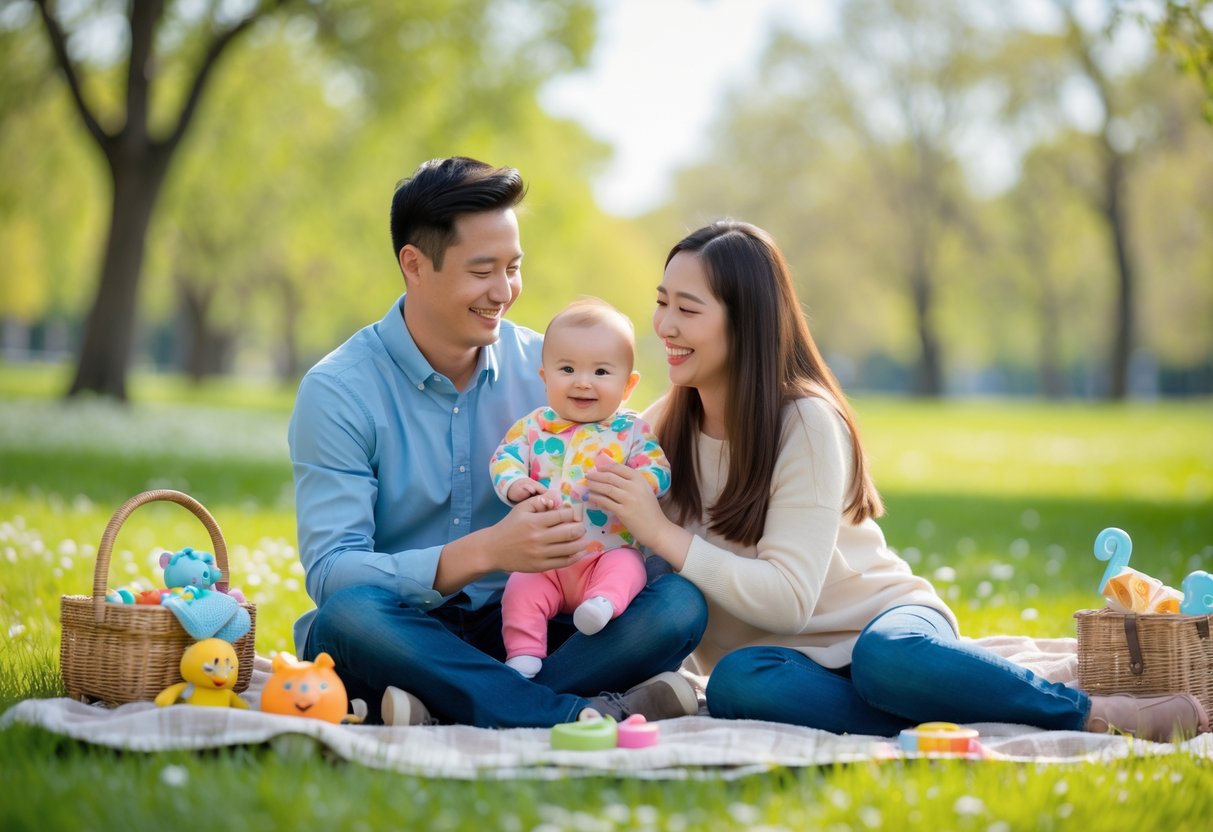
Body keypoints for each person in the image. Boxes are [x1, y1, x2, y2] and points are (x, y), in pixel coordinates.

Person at [585, 220, 1210, 742]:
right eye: (662, 300)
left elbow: (787, 599)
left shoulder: (803, 420)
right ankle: (953, 711)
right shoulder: (654, 429)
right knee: (735, 685)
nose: (663, 325)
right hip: (784, 664)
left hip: (884, 627)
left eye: (687, 309)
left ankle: (1093, 715)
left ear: (744, 323)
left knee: (886, 663)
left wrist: (659, 531)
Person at [287, 157, 706, 728]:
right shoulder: (339, 391)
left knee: (678, 605)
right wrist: (487, 552)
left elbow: (627, 439)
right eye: (483, 271)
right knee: (348, 616)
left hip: (533, 624)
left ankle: (452, 703)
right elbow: (332, 570)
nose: (504, 291)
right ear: (414, 265)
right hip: (407, 629)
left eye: (513, 267)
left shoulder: (553, 367)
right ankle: (575, 711)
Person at [492, 298, 670, 679]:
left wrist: (639, 484)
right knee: (519, 590)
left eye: (602, 371)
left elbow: (658, 468)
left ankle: (602, 604)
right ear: (545, 378)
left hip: (607, 551)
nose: (583, 381)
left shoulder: (631, 431)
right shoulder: (534, 427)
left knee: (630, 567)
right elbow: (503, 458)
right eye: (567, 368)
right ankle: (523, 654)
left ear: (628, 385)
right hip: (546, 556)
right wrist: (515, 485)